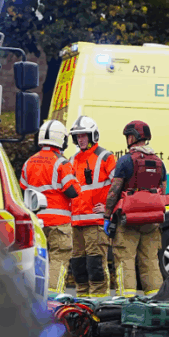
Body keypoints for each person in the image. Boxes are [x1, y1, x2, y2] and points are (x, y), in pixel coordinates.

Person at [103, 120, 166, 297]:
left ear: (132, 137)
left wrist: (107, 216)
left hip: (127, 219)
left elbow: (114, 191)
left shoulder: (125, 161)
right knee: (151, 261)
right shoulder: (159, 163)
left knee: (125, 260)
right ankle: (155, 299)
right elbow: (162, 192)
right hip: (152, 221)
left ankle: (127, 300)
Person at [20, 120, 81, 296]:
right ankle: (53, 297)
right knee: (59, 261)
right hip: (59, 224)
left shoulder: (29, 162)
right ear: (60, 139)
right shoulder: (61, 163)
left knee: (38, 261)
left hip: (36, 222)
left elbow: (23, 190)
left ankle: (36, 297)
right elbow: (72, 191)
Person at [68, 116, 116, 298]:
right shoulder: (72, 160)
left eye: (84, 135)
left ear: (92, 136)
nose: (80, 139)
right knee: (79, 269)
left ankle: (98, 305)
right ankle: (82, 304)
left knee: (96, 268)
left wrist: (107, 208)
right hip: (76, 224)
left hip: (95, 223)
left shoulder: (105, 157)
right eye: (77, 136)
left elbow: (119, 185)